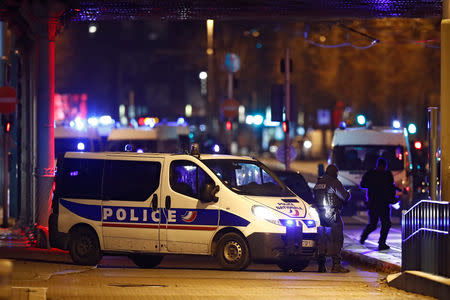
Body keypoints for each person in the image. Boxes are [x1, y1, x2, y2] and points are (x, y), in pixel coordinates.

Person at [313, 164, 351, 273]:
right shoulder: (334, 182)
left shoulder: (319, 182)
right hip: (332, 214)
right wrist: (348, 193)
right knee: (337, 238)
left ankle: (321, 265)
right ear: (335, 173)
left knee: (322, 239)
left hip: (320, 215)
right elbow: (344, 197)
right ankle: (336, 265)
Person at [359, 157, 397, 251]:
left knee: (379, 224)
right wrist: (393, 199)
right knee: (382, 224)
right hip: (381, 203)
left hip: (375, 203)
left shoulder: (371, 174)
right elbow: (391, 188)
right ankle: (379, 242)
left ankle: (374, 241)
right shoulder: (386, 174)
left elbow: (362, 185)